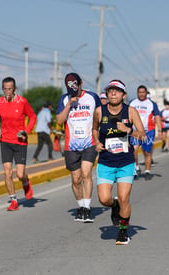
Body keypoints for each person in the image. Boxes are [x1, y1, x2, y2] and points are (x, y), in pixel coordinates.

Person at [92, 79, 145, 245]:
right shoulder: (99, 112)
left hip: (125, 162)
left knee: (124, 198)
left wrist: (129, 130)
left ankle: (123, 231)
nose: (113, 93)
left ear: (124, 95)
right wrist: (97, 142)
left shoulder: (131, 112)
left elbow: (143, 135)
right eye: (110, 91)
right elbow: (94, 129)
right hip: (106, 162)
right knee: (104, 199)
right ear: (107, 94)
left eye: (117, 91)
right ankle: (114, 206)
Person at [56, 72, 100, 223]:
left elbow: (100, 117)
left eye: (76, 89)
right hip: (71, 145)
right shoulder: (64, 99)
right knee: (76, 179)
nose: (74, 93)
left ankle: (87, 208)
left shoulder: (92, 97)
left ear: (81, 83)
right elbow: (59, 120)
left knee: (86, 174)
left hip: (89, 143)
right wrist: (69, 105)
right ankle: (80, 206)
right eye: (70, 91)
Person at [0, 76, 37, 211]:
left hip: (20, 141)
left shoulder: (22, 102)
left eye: (10, 89)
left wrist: (27, 131)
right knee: (7, 173)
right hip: (5, 141)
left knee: (20, 174)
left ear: (15, 89)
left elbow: (33, 116)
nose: (7, 92)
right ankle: (13, 201)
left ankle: (26, 182)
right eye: (5, 89)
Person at [129, 85, 161, 180]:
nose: (141, 94)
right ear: (137, 93)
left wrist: (160, 130)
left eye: (143, 92)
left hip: (148, 131)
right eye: (140, 92)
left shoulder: (151, 104)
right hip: (135, 131)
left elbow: (157, 117)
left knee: (147, 152)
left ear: (146, 93)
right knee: (134, 150)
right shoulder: (132, 103)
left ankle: (147, 171)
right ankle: (136, 168)